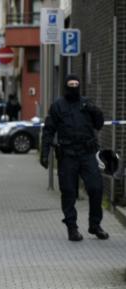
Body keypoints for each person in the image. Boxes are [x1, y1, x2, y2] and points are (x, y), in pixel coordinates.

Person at [40, 74, 109, 242]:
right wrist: (45, 152)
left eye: (76, 84)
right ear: (65, 87)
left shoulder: (86, 103)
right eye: (70, 84)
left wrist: (95, 111)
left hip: (87, 153)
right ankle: (72, 228)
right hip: (67, 155)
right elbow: (49, 130)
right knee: (69, 192)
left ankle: (95, 225)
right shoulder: (58, 106)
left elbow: (99, 124)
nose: (73, 87)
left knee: (95, 188)